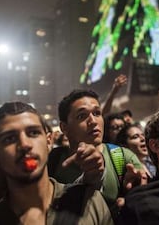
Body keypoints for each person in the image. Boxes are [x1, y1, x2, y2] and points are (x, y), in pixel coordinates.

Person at [0, 101, 112, 224]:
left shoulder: (89, 202)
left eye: (33, 133)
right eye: (9, 138)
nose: (25, 144)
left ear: (49, 142)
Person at [55, 89, 145, 219]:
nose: (93, 121)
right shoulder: (53, 160)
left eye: (97, 113)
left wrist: (134, 195)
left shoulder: (122, 156)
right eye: (82, 116)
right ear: (64, 128)